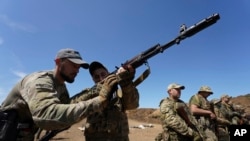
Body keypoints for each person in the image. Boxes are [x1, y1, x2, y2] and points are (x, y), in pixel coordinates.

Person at [0, 48, 130, 141]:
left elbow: (67, 112)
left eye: (79, 67)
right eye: (74, 65)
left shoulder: (62, 88)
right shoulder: (39, 80)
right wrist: (100, 99)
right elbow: (47, 116)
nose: (77, 70)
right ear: (58, 62)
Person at [77, 61, 139, 141]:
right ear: (93, 80)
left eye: (103, 74)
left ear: (109, 74)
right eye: (96, 77)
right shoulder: (89, 93)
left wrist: (126, 82)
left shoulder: (120, 93)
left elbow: (132, 105)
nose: (101, 79)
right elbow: (75, 108)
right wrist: (98, 94)